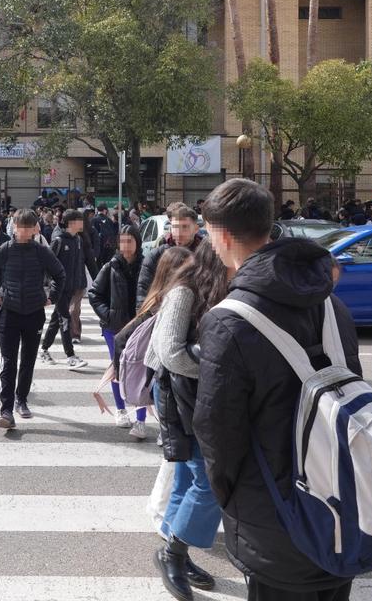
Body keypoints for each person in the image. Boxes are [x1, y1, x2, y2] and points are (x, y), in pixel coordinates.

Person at [194, 179, 361, 601]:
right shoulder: (331, 306)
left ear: (223, 234)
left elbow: (218, 430)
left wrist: (232, 499)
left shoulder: (227, 321)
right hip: (341, 499)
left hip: (273, 509)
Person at [148, 241, 230, 597]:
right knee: (209, 481)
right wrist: (223, 367)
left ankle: (174, 550)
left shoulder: (226, 289)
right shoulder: (184, 290)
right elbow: (170, 353)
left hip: (201, 394)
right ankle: (174, 553)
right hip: (179, 393)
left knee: (185, 475)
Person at [0, 209, 65, 429]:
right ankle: (6, 410)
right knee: (8, 362)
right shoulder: (5, 250)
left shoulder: (41, 251)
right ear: (14, 227)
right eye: (21, 226)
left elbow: (59, 274)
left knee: (28, 360)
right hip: (9, 312)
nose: (25, 231)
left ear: (35, 228)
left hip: (34, 312)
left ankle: (22, 400)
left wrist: (51, 297)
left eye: (29, 226)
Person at [88, 224, 146, 437]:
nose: (125, 245)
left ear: (137, 242)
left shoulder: (146, 265)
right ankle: (121, 410)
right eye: (122, 241)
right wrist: (108, 315)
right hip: (114, 328)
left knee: (140, 371)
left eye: (130, 240)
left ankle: (141, 419)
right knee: (117, 368)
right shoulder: (110, 266)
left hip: (140, 327)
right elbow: (94, 293)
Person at [40, 209, 96, 368]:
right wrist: (51, 284)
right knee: (65, 319)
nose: (82, 223)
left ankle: (44, 349)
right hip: (60, 289)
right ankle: (70, 356)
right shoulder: (58, 241)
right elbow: (47, 264)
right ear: (71, 223)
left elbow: (81, 263)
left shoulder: (78, 240)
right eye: (79, 220)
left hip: (72, 287)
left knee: (56, 321)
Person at [137, 204, 201, 306]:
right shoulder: (156, 256)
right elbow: (143, 293)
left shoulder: (205, 256)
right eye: (175, 227)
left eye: (185, 227)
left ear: (196, 229)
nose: (179, 233)